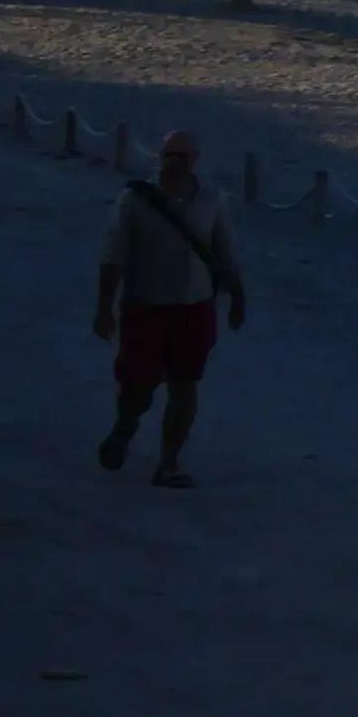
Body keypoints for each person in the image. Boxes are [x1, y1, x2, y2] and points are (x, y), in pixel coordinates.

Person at [90, 130, 249, 486]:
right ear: (160, 158)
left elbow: (224, 252)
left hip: (194, 308)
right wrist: (103, 307)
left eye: (182, 156)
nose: (175, 163)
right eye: (169, 156)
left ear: (194, 160)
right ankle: (125, 426)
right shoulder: (134, 200)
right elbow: (112, 257)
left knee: (185, 384)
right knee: (138, 385)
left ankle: (169, 464)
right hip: (144, 306)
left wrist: (238, 297)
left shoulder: (212, 199)